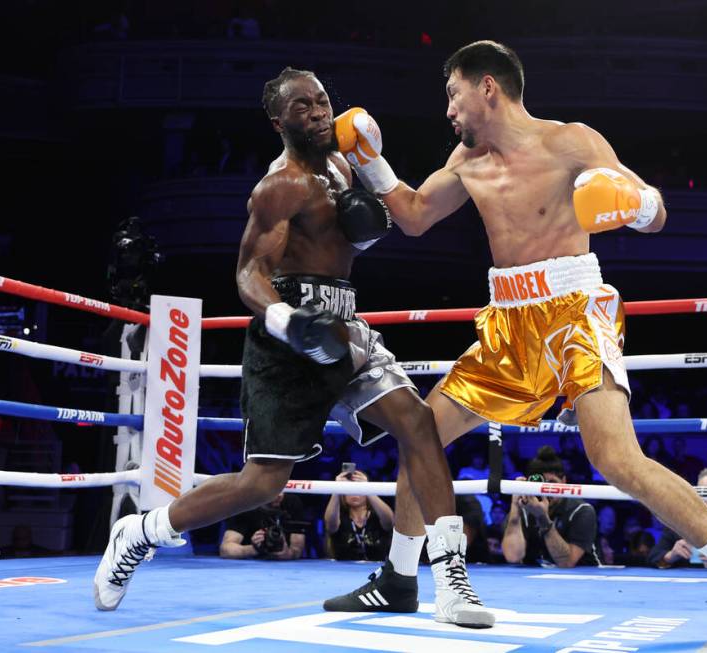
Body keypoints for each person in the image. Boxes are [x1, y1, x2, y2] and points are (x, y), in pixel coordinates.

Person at [329, 40, 707, 644]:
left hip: (575, 311)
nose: (447, 109)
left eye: (452, 93)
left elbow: (656, 212)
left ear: (487, 88)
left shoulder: (571, 141)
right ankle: (399, 577)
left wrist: (631, 203)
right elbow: (415, 215)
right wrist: (371, 161)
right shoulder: (466, 157)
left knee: (615, 458)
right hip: (508, 321)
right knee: (421, 433)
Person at [93, 67, 492, 628]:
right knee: (263, 483)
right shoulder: (279, 185)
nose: (319, 112)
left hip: (344, 324)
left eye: (323, 101)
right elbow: (248, 272)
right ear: (279, 121)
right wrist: (286, 318)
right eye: (303, 106)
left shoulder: (343, 163)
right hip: (288, 333)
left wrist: (374, 177)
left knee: (418, 423)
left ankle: (451, 580)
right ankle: (140, 532)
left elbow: (366, 232)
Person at [501, 446, 600, 567]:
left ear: (564, 481)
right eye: (541, 484)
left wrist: (542, 518)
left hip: (582, 579)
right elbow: (513, 557)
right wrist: (515, 508)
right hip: (535, 583)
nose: (546, 490)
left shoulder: (582, 510)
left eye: (552, 483)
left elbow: (566, 562)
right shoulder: (523, 508)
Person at [324, 469, 394, 561]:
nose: (354, 492)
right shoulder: (338, 516)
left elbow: (390, 522)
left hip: (375, 570)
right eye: (350, 488)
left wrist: (367, 487)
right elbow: (330, 525)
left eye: (358, 488)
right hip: (342, 571)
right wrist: (337, 489)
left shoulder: (377, 515)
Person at [220, 493, 306, 560]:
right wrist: (255, 549)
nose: (279, 495)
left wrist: (288, 554)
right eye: (274, 490)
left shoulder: (292, 502)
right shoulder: (246, 505)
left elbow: (297, 550)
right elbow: (225, 549)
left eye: (281, 488)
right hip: (250, 566)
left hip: (285, 568)